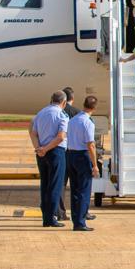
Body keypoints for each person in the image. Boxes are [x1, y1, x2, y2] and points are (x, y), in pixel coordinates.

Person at [29, 90, 68, 228]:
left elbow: (33, 133)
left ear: (51, 100)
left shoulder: (40, 113)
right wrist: (46, 149)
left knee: (44, 184)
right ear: (63, 102)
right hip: (55, 152)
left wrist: (39, 148)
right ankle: (51, 217)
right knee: (55, 185)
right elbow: (61, 137)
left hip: (41, 153)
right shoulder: (61, 115)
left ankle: (46, 217)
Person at [66, 95, 101, 232]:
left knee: (75, 190)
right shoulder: (88, 122)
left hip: (70, 155)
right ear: (94, 108)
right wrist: (95, 165)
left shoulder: (73, 120)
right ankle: (80, 222)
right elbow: (90, 145)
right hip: (82, 156)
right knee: (84, 191)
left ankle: (76, 220)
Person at [55, 87, 81, 221]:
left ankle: (60, 212)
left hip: (61, 150)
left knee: (60, 184)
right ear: (72, 98)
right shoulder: (77, 113)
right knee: (76, 185)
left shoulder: (57, 112)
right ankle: (79, 213)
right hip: (75, 152)